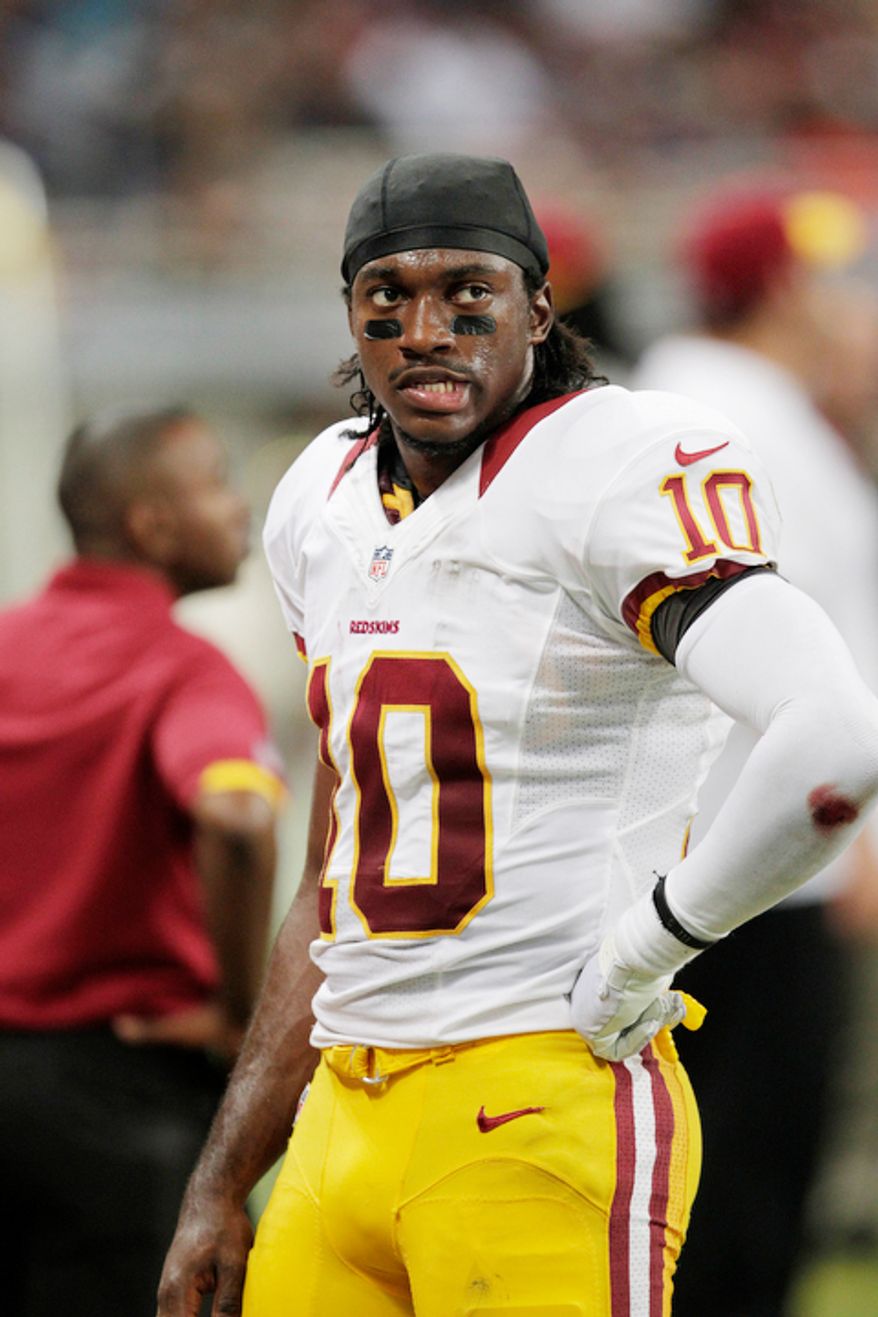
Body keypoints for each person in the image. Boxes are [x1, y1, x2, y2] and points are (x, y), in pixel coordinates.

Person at [158, 154, 878, 1317]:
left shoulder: (609, 463)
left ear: (539, 310)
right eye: (385, 296)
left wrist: (651, 949)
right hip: (341, 1112)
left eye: (467, 293)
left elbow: (833, 736)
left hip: (538, 1094)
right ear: (348, 315)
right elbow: (331, 873)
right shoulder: (320, 496)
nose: (425, 327)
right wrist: (220, 1180)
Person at [632, 187, 878, 1316]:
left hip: (657, 861)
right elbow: (838, 671)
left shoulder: (658, 404)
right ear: (781, 289)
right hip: (769, 875)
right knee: (745, 1182)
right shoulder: (760, 429)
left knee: (663, 1182)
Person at [0, 406, 283, 1317]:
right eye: (215, 483)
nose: (240, 509)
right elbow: (237, 814)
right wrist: (241, 1014)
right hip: (121, 1095)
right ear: (151, 524)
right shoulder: (183, 668)